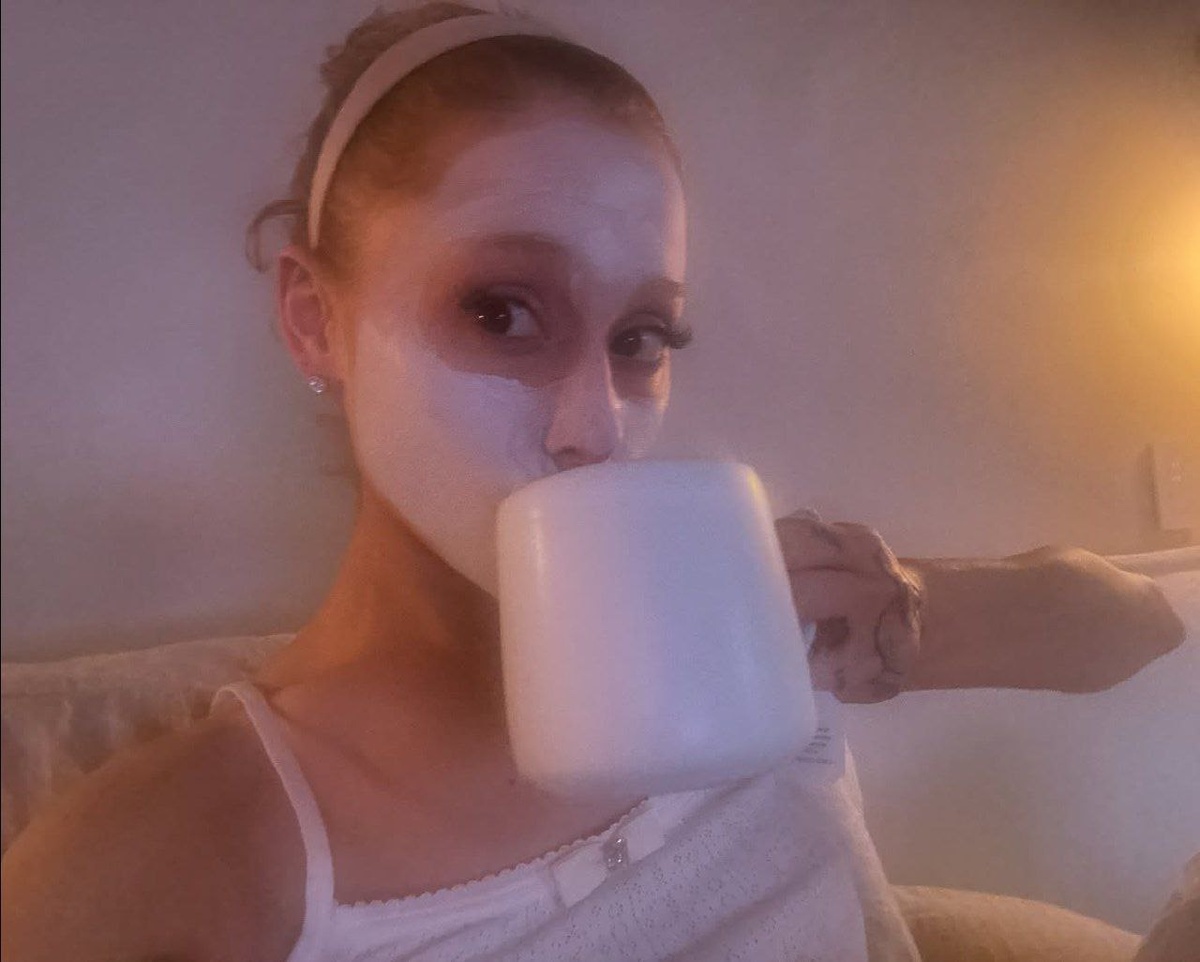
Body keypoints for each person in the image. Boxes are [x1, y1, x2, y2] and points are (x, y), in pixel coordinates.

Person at [0, 5, 1185, 961]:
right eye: (502, 311)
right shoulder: (189, 850)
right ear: (316, 319)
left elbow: (1133, 624)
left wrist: (903, 611)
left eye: (641, 337)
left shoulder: (737, 637)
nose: (597, 424)